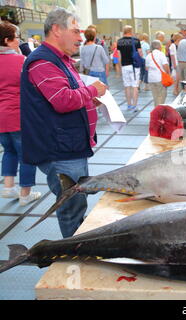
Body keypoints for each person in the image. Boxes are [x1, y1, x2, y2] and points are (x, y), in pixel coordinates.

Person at [20, 8, 107, 238]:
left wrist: (90, 101)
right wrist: (91, 90)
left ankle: (79, 240)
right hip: (60, 151)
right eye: (76, 31)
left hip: (71, 145)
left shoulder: (62, 60)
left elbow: (65, 95)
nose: (81, 37)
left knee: (78, 201)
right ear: (57, 30)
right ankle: (75, 253)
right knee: (71, 207)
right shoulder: (43, 62)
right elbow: (62, 100)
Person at [0, 21, 41, 206]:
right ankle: (25, 193)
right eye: (17, 38)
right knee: (27, 154)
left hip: (1, 117)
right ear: (7, 40)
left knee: (9, 150)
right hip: (18, 115)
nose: (19, 41)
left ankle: (8, 187)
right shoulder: (21, 60)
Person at [117, 25, 143, 112]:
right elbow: (140, 54)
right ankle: (135, 105)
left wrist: (120, 67)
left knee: (127, 86)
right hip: (134, 66)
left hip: (125, 66)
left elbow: (119, 55)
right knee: (135, 86)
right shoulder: (136, 41)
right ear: (131, 31)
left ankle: (129, 105)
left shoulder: (119, 41)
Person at [145, 40, 170, 107]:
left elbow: (147, 68)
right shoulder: (161, 54)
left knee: (155, 97)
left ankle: (156, 112)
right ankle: (159, 113)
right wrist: (168, 74)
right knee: (162, 96)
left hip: (151, 79)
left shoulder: (148, 55)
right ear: (159, 46)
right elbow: (165, 66)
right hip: (160, 78)